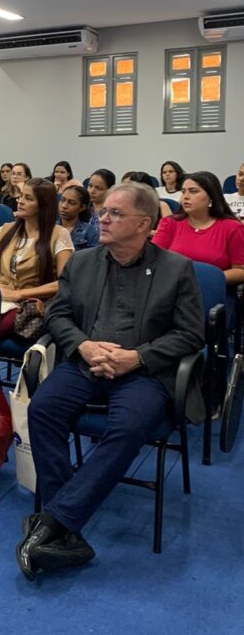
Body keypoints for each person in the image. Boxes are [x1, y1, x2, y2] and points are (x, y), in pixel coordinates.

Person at [17, 182, 205, 579]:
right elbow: (57, 316)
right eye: (104, 212)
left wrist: (137, 357)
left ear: (144, 224)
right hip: (86, 362)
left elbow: (191, 334)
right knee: (43, 409)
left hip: (143, 372)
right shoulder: (83, 262)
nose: (102, 219)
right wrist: (84, 346)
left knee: (129, 427)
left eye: (115, 214)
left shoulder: (175, 269)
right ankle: (65, 527)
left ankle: (55, 520)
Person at [0, 178, 74, 340]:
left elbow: (64, 283)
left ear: (43, 205)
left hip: (28, 304)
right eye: (21, 196)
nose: (20, 201)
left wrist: (19, 294)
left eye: (28, 198)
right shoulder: (6, 230)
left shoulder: (58, 235)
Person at [152, 171, 244, 286]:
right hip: (173, 288)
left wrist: (207, 278)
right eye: (183, 192)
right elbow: (152, 260)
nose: (185, 197)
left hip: (210, 289)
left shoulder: (232, 227)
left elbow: (241, 270)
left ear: (211, 197)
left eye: (193, 191)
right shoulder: (170, 223)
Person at [58, 184, 99, 251]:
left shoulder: (90, 232)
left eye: (71, 203)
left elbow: (94, 256)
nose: (64, 206)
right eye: (62, 200)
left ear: (82, 207)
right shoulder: (50, 228)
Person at [86, 168, 115, 233]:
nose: (92, 191)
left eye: (98, 188)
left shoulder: (112, 214)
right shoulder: (83, 209)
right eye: (90, 186)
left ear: (110, 190)